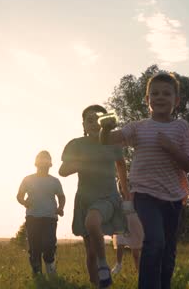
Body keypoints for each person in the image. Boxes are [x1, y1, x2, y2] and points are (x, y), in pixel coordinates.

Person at [100, 72, 189, 289]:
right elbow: (109, 139)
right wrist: (104, 127)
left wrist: (171, 147)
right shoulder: (138, 127)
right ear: (147, 100)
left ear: (176, 100)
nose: (160, 97)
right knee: (154, 241)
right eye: (154, 93)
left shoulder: (183, 128)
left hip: (173, 197)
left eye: (166, 93)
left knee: (168, 249)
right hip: (144, 195)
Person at [59, 104, 128, 288]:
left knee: (92, 222)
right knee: (90, 253)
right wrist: (82, 162)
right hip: (85, 199)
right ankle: (97, 284)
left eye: (98, 119)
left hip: (107, 197)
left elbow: (121, 166)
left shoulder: (113, 143)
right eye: (89, 120)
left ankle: (104, 266)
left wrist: (126, 194)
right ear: (84, 124)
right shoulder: (76, 145)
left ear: (104, 122)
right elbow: (63, 170)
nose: (93, 123)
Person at [17, 150, 65, 276]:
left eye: (46, 161)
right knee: (34, 247)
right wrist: (24, 202)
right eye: (41, 160)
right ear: (36, 163)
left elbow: (61, 196)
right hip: (33, 217)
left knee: (49, 244)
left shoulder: (55, 181)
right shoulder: (28, 179)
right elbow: (19, 196)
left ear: (50, 165)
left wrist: (61, 207)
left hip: (50, 217)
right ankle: (37, 272)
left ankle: (50, 265)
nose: (44, 164)